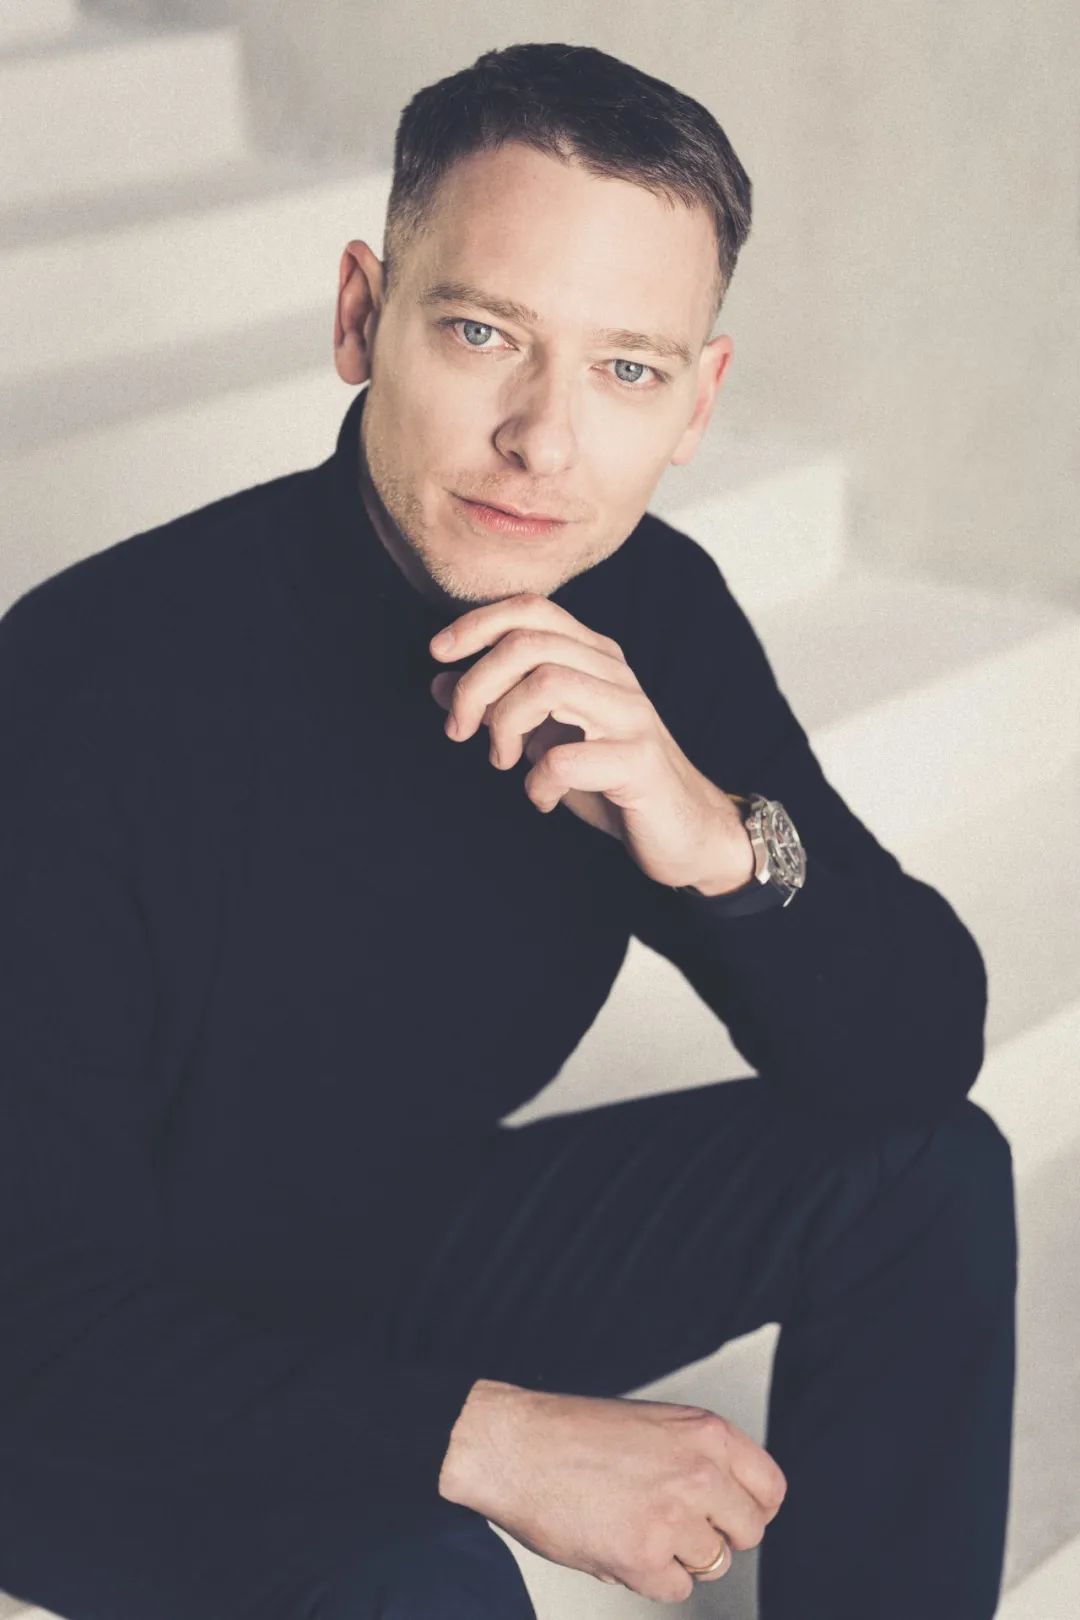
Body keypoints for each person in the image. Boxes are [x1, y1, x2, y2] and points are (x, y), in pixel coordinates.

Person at [0, 40, 1016, 1620]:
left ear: (699, 401)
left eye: (627, 370)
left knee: (925, 1180)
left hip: (375, 1250)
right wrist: (492, 1438)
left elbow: (917, 1049)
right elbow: (36, 1309)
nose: (545, 439)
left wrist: (720, 842)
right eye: (484, 333)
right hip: (78, 1377)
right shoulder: (86, 682)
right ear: (362, 316)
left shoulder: (643, 612)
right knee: (426, 1575)